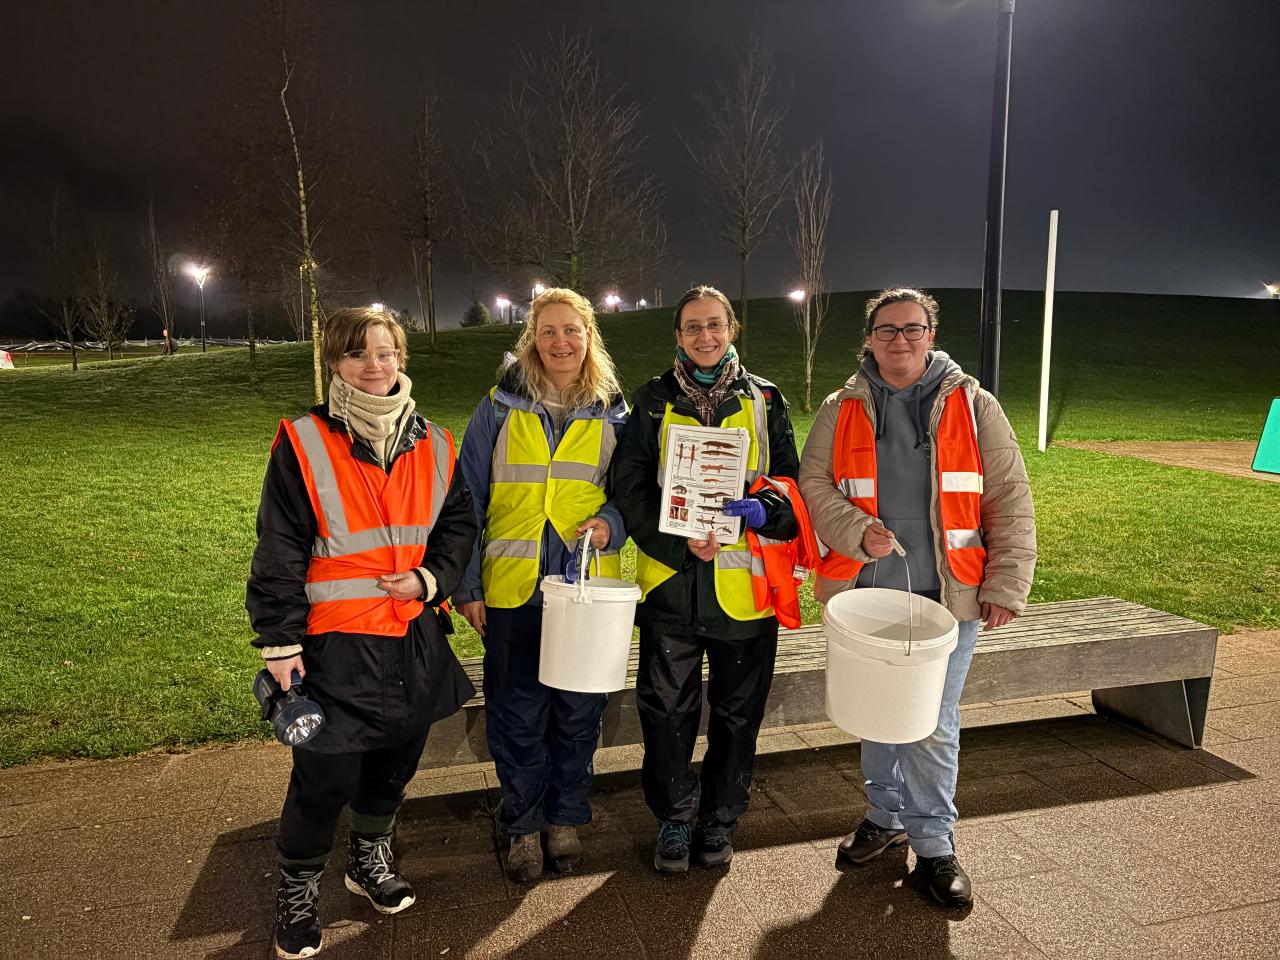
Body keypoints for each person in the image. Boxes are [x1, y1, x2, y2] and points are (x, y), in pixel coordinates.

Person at [247, 306, 477, 959]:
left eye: (384, 352)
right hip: (332, 647)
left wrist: (433, 579)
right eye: (357, 355)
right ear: (334, 364)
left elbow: (458, 526)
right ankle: (299, 890)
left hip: (412, 637)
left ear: (401, 357)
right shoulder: (303, 441)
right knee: (322, 779)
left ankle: (367, 859)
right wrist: (280, 643)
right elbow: (280, 548)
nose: (373, 366)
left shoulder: (435, 441)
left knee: (394, 768)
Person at [798, 287, 1036, 908]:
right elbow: (813, 485)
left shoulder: (974, 405)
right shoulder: (840, 406)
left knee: (930, 722)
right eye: (886, 330)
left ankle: (934, 845)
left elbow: (1008, 497)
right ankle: (885, 815)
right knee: (878, 712)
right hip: (867, 594)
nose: (899, 340)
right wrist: (855, 531)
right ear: (869, 339)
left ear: (931, 335)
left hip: (950, 598)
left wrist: (1006, 583)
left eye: (912, 329)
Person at [613, 284, 800, 874]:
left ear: (733, 329)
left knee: (738, 715)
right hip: (671, 587)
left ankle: (719, 819)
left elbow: (793, 490)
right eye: (693, 326)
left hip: (745, 592)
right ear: (677, 335)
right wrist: (676, 538)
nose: (705, 336)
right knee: (666, 714)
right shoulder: (650, 401)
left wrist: (761, 512)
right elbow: (631, 488)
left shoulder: (766, 399)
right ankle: (673, 818)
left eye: (715, 324)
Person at [455, 287, 628, 883]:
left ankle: (566, 817)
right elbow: (466, 501)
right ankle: (523, 824)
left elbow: (632, 495)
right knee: (518, 711)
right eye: (548, 331)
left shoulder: (614, 411)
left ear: (589, 338)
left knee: (579, 711)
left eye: (572, 331)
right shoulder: (499, 409)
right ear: (533, 338)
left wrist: (613, 524)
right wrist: (467, 585)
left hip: (584, 589)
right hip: (513, 588)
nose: (561, 342)